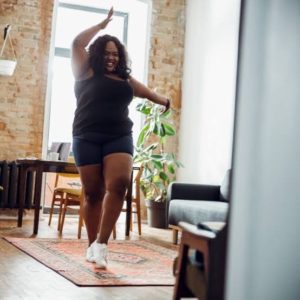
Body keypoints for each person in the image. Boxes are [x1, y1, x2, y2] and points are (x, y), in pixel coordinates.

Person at [71, 7, 171, 269]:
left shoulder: (125, 80)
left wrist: (163, 100)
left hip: (118, 135)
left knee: (119, 184)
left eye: (116, 54)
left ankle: (102, 244)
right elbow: (77, 43)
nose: (112, 58)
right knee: (93, 193)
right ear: (97, 53)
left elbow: (145, 92)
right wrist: (101, 26)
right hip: (86, 136)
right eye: (107, 53)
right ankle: (92, 245)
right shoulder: (83, 71)